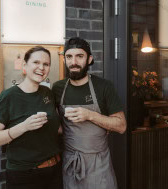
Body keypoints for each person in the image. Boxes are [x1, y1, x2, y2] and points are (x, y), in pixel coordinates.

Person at [52, 37, 127, 189]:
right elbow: (57, 126)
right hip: (70, 164)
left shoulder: (104, 87)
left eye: (80, 56)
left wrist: (90, 115)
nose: (74, 62)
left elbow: (121, 126)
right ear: (64, 60)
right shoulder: (58, 88)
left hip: (98, 164)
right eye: (69, 57)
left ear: (89, 59)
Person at [0, 46, 62, 189]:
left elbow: (56, 128)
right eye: (36, 62)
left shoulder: (48, 93)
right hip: (25, 176)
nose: (41, 68)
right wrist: (24, 126)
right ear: (25, 65)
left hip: (55, 171)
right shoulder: (8, 97)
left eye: (46, 64)